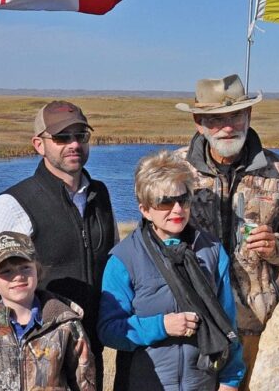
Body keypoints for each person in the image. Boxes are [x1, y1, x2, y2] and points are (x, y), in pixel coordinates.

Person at [0, 100, 118, 386]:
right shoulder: (14, 203)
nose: (74, 144)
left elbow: (114, 263)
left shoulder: (99, 195)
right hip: (36, 359)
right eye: (62, 137)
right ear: (38, 145)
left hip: (88, 351)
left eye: (81, 136)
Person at [172, 74, 279, 385]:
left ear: (248, 116)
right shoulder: (174, 170)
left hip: (255, 323)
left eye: (236, 115)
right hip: (191, 324)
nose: (228, 126)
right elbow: (151, 238)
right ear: (199, 122)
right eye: (216, 119)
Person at [100, 150, 244, 390]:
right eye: (165, 201)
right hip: (143, 384)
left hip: (201, 383)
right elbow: (109, 331)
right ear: (145, 209)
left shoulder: (212, 251)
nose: (177, 209)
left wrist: (230, 381)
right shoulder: (124, 259)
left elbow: (228, 323)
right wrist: (162, 326)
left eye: (184, 199)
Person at [0, 231, 97, 391]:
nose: (18, 276)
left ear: (37, 270)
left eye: (25, 268)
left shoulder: (65, 325)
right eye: (6, 271)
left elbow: (84, 383)